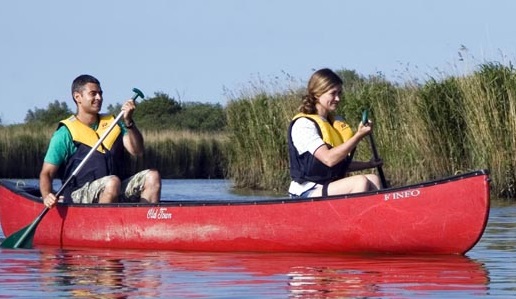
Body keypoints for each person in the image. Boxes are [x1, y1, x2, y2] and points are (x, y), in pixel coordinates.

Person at [41, 74, 161, 207]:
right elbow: (46, 173)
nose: (99, 98)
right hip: (78, 195)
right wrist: (47, 195)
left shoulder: (114, 123)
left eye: (100, 93)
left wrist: (128, 121)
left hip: (115, 187)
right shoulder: (65, 133)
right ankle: (104, 225)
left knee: (152, 177)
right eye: (93, 94)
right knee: (112, 182)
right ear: (77, 97)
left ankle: (147, 223)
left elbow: (137, 150)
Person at [288, 68, 382, 198]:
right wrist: (358, 136)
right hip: (306, 191)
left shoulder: (333, 123)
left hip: (327, 187)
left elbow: (338, 165)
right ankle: (354, 218)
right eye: (333, 93)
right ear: (317, 94)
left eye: (339, 93)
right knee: (360, 181)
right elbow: (329, 159)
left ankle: (377, 217)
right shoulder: (304, 125)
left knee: (373, 179)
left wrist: (368, 164)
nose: (337, 98)